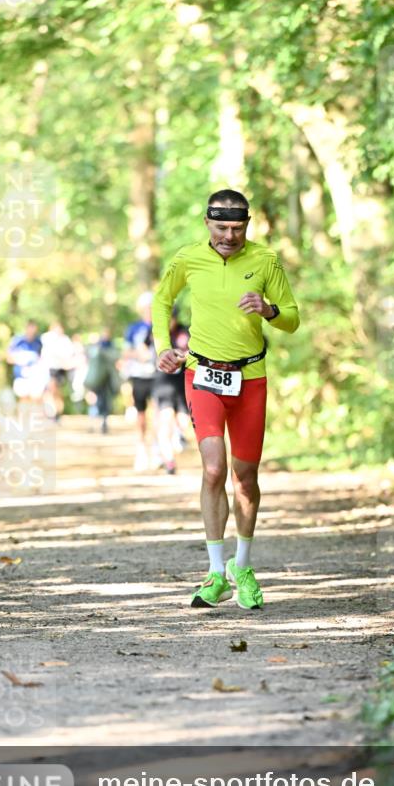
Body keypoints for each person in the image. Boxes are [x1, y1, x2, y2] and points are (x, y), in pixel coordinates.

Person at [152, 188, 299, 610]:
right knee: (213, 468)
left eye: (237, 229)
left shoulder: (265, 260)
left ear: (247, 226)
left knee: (245, 479)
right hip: (203, 375)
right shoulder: (188, 258)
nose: (229, 237)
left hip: (250, 377)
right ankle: (216, 573)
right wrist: (163, 346)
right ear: (207, 224)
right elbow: (163, 300)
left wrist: (269, 310)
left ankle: (243, 566)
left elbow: (292, 317)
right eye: (221, 228)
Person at [151, 306, 190, 475]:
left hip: (182, 384)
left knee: (183, 422)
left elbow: (195, 350)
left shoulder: (185, 332)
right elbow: (143, 350)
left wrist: (184, 356)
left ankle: (178, 436)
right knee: (165, 421)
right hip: (163, 383)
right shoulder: (156, 333)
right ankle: (169, 461)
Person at [122, 292, 158, 471]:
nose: (149, 311)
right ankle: (142, 449)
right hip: (139, 376)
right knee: (141, 415)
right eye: (146, 308)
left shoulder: (162, 324)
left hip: (158, 376)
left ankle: (158, 449)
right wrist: (140, 355)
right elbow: (125, 353)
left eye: (152, 307)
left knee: (159, 413)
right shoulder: (133, 328)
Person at [84, 329, 120, 434]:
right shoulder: (95, 348)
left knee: (105, 403)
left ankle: (103, 423)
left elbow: (115, 357)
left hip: (106, 380)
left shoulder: (110, 347)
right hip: (95, 380)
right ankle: (93, 423)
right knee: (94, 402)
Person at [40, 322, 75, 420]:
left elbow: (69, 354)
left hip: (60, 369)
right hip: (49, 368)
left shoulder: (65, 340)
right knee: (49, 391)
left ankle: (57, 413)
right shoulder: (46, 338)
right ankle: (50, 413)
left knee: (57, 392)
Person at [6, 321, 47, 404]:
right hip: (20, 376)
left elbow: (42, 358)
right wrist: (20, 361)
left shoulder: (39, 341)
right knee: (23, 398)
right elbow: (8, 358)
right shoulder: (17, 341)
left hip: (35, 376)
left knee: (36, 398)